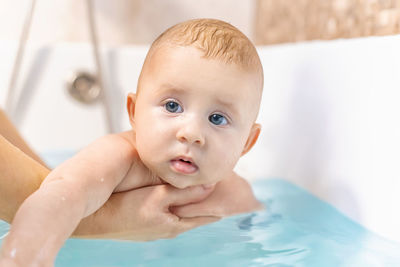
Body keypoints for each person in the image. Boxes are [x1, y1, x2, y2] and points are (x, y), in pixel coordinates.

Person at [0, 18, 264, 266]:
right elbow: (60, 196)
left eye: (217, 119)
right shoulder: (117, 159)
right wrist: (22, 255)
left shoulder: (234, 194)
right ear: (133, 111)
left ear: (246, 144)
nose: (191, 132)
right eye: (172, 106)